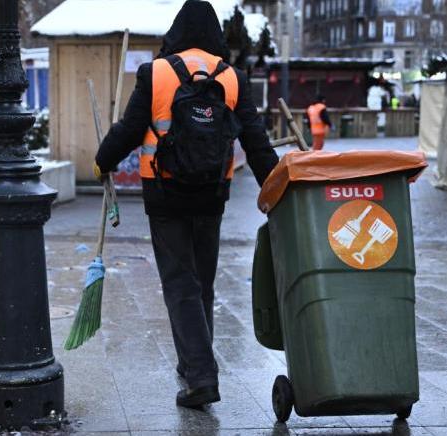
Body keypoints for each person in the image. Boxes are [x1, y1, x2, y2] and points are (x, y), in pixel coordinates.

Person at [93, 0, 279, 409]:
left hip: (165, 193)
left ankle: (200, 376)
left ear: (176, 33)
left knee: (180, 284)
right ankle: (193, 362)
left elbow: (129, 130)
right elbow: (256, 142)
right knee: (202, 283)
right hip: (212, 193)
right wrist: (278, 188)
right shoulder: (232, 78)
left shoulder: (156, 73)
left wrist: (102, 161)